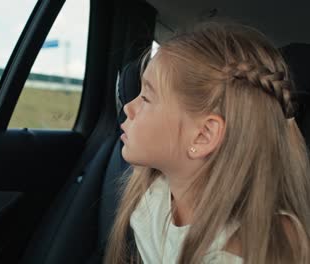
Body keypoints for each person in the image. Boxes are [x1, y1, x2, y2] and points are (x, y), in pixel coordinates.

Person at [104, 22, 310, 264]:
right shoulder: (154, 194)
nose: (128, 108)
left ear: (203, 135)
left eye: (147, 97)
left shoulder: (250, 249)